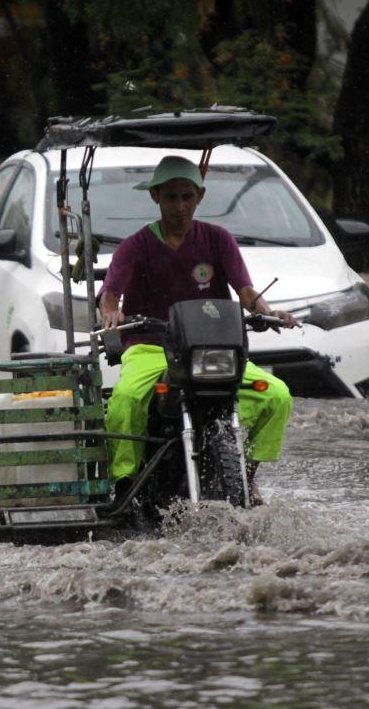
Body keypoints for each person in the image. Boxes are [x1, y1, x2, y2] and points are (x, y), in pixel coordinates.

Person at [97, 155, 299, 506]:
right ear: (155, 197)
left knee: (277, 396)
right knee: (125, 400)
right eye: (171, 197)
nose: (179, 206)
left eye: (187, 197)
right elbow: (111, 292)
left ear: (200, 197)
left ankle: (247, 475)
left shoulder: (218, 240)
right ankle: (125, 482)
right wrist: (111, 311)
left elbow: (247, 293)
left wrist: (269, 312)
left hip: (212, 350)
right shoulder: (135, 246)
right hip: (150, 348)